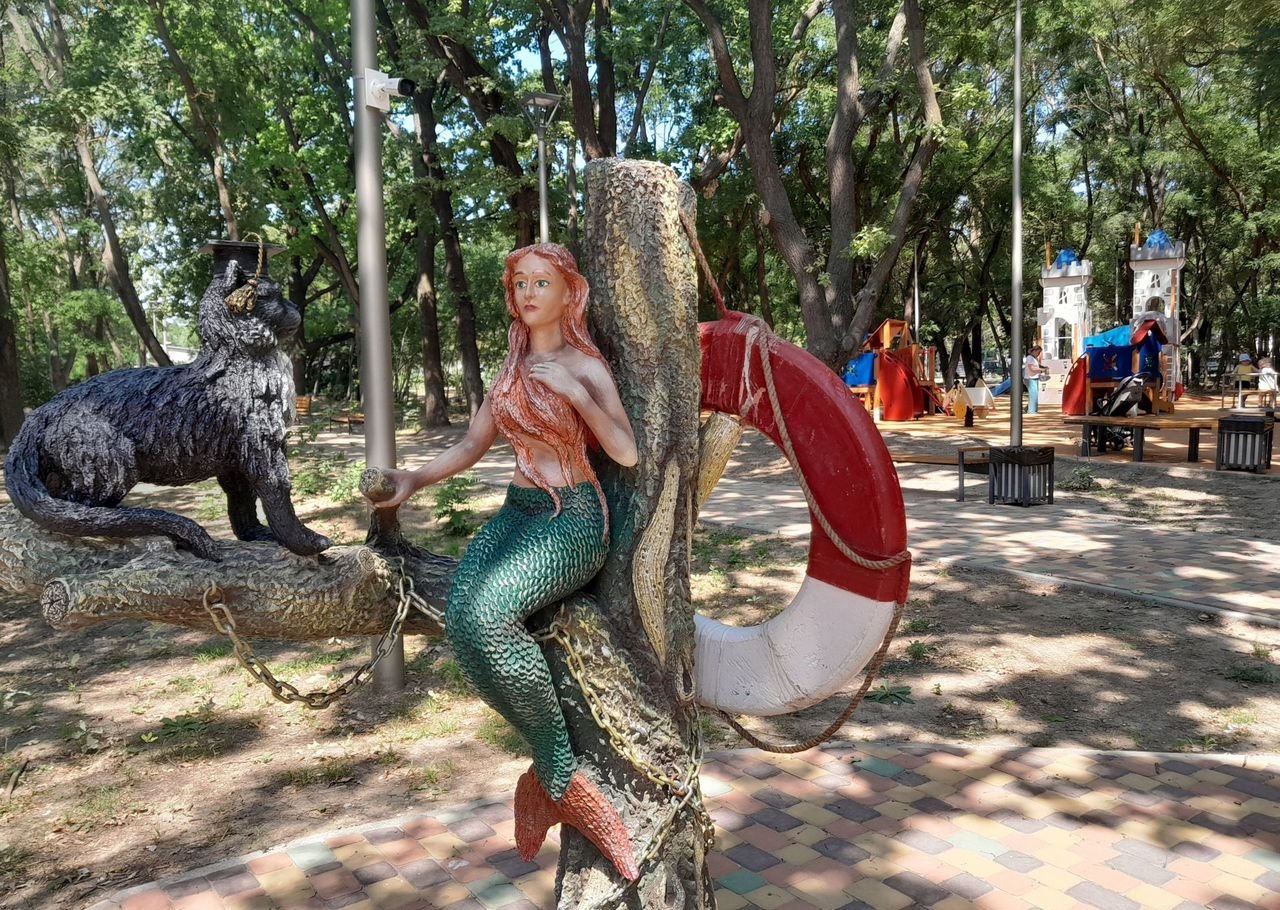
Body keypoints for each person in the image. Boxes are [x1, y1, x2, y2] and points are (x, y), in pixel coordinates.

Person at [367, 243, 640, 880]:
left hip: (573, 517)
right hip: (518, 512)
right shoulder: (513, 367)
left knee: (490, 617)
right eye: (520, 284)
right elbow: (472, 442)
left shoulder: (584, 366)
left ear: (568, 293)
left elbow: (626, 452)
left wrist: (578, 394)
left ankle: (560, 776)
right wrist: (413, 480)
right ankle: (552, 773)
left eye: (541, 283)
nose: (529, 294)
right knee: (463, 621)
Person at [1023, 345, 1048, 414]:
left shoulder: (1034, 358)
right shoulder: (1029, 358)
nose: (1039, 354)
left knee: (1034, 394)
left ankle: (1028, 408)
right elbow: (1032, 368)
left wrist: (1044, 367)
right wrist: (1042, 370)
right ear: (1034, 351)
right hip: (1030, 379)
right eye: (1038, 352)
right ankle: (1032, 411)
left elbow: (1037, 366)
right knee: (1034, 395)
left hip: (1034, 378)